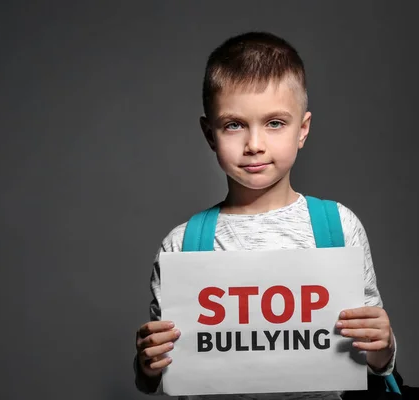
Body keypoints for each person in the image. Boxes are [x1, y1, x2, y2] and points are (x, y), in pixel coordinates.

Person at [134, 31, 396, 400]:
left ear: (302, 130)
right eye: (234, 125)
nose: (254, 144)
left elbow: (377, 362)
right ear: (210, 135)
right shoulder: (181, 246)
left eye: (275, 123)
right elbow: (156, 379)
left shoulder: (339, 227)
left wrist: (382, 344)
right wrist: (147, 362)